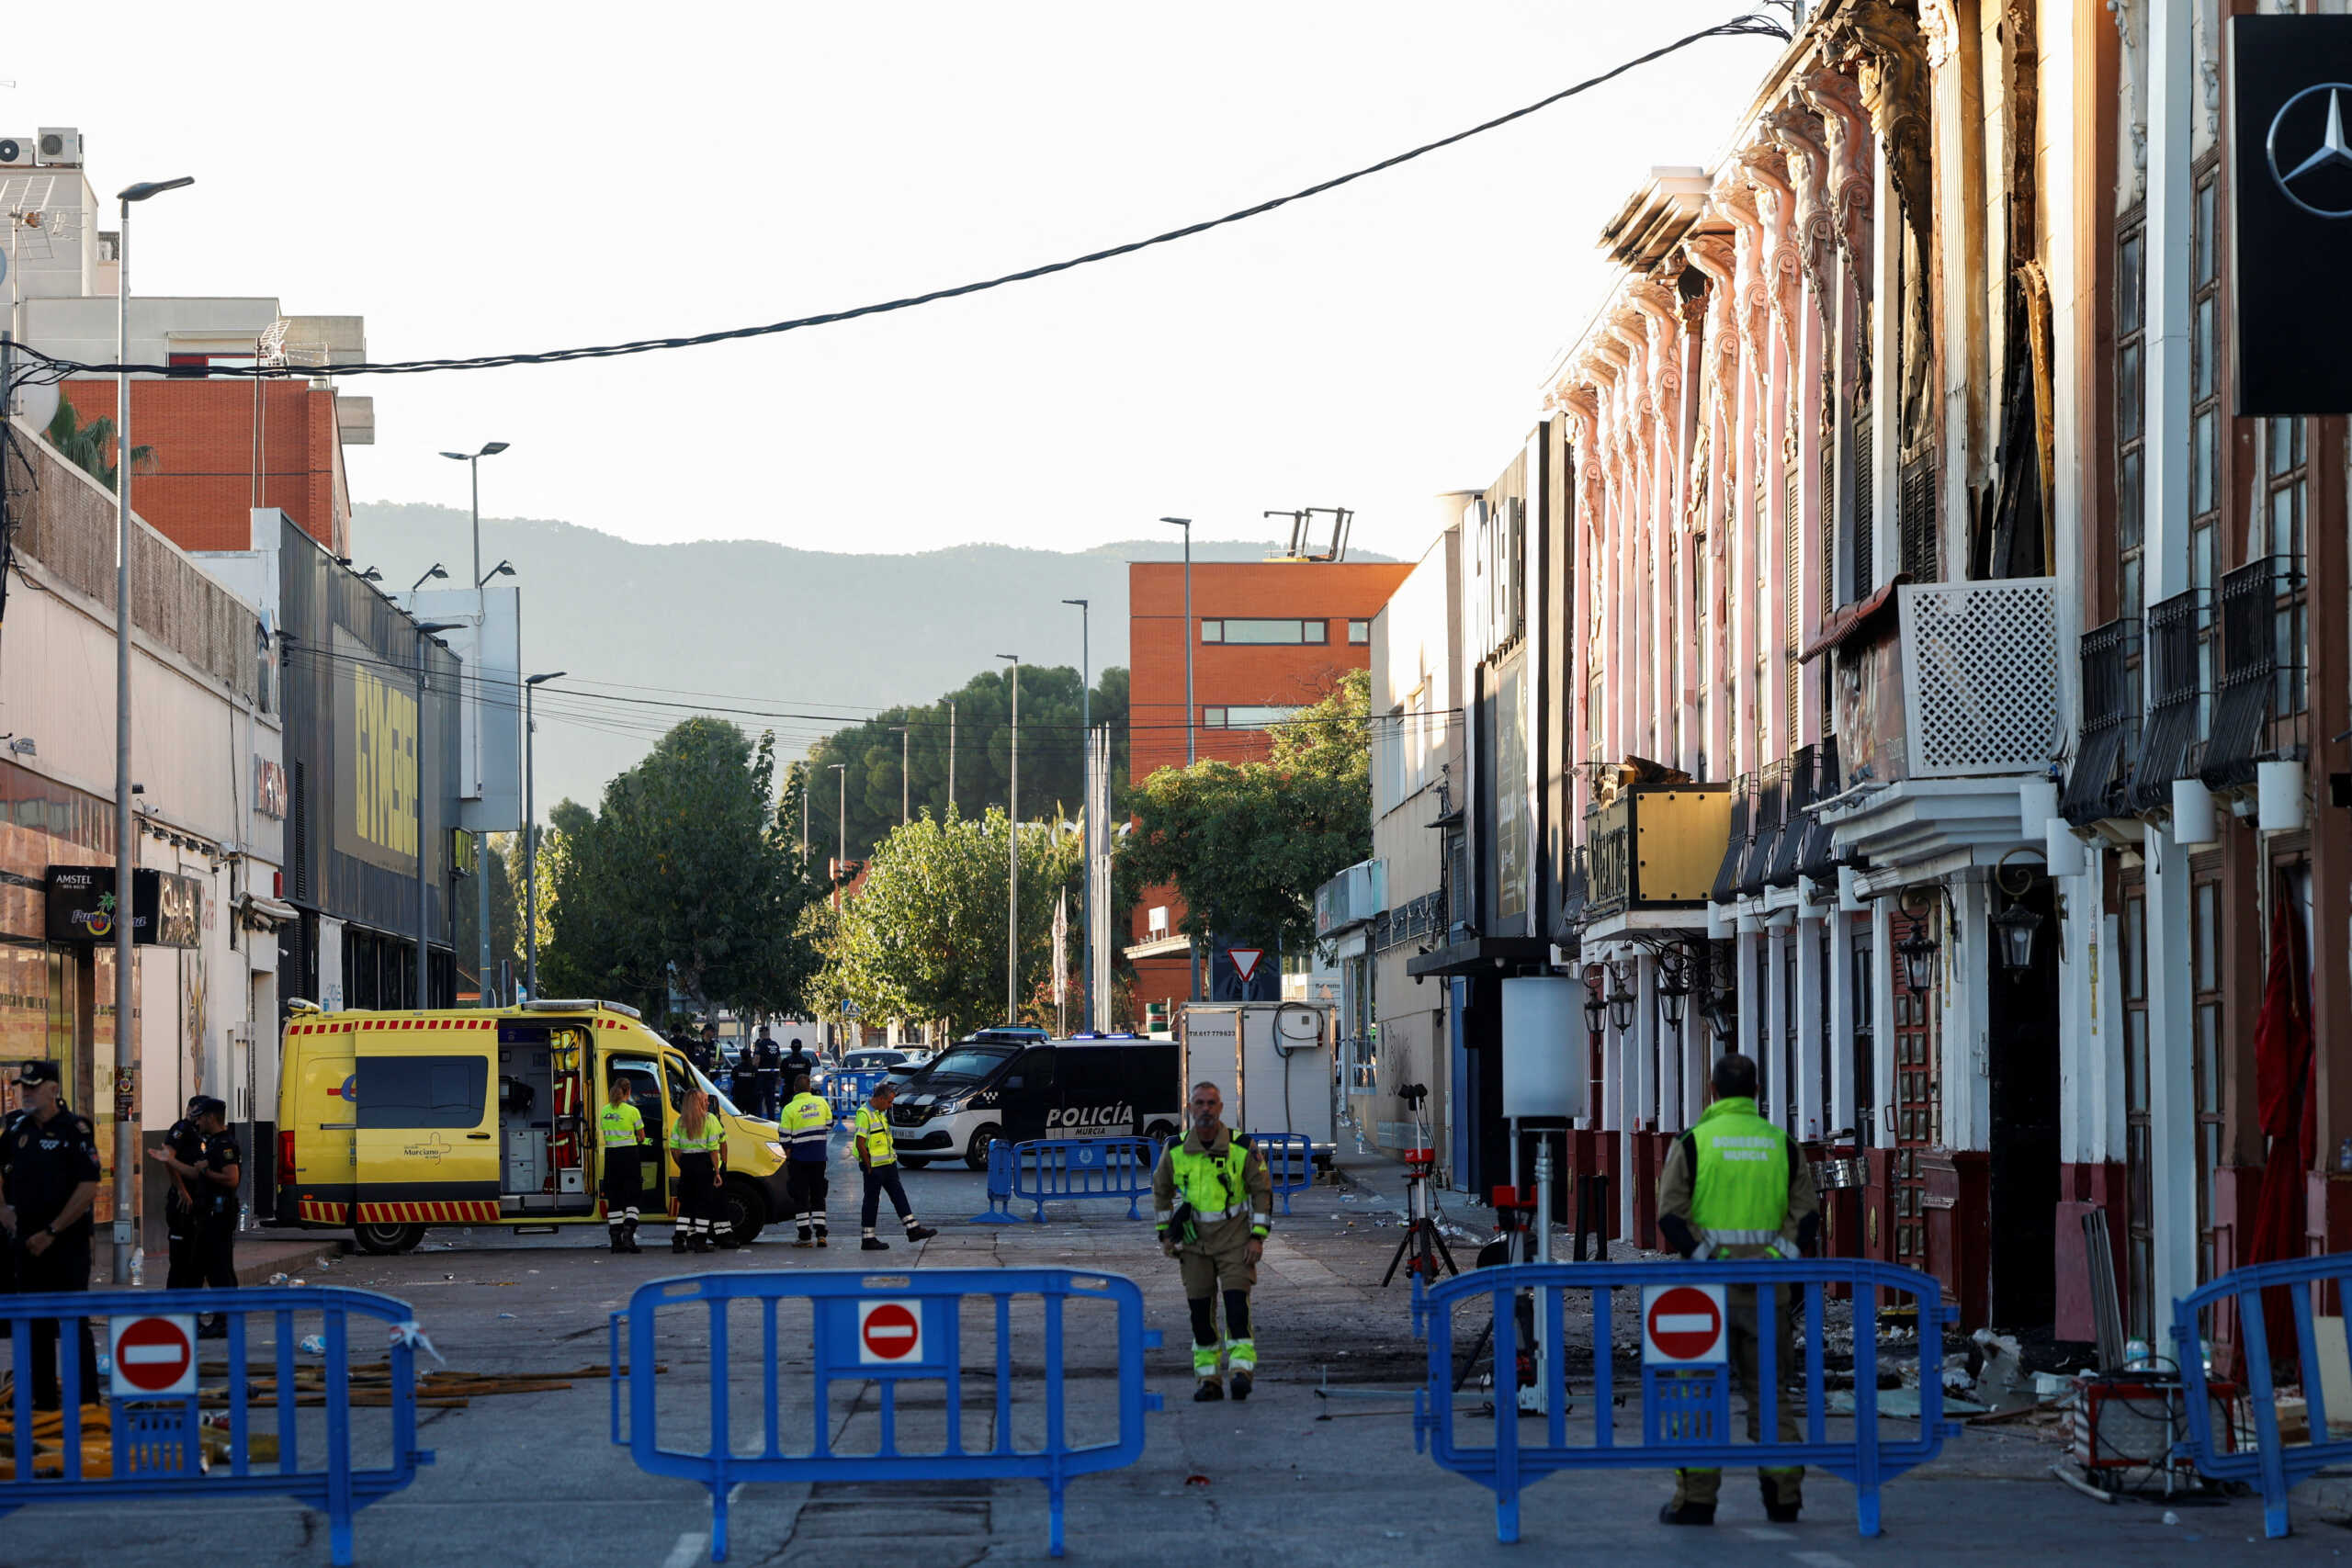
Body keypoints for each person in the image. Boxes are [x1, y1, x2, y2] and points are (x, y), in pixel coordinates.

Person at [1653, 1050, 1821, 1527]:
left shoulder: (1694, 1143)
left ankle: (1697, 1500)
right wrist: (1772, 1262)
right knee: (1771, 1393)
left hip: (1704, 1296)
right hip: (1768, 1295)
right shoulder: (1780, 1143)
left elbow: (1671, 1214)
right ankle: (1784, 1498)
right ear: (1756, 1092)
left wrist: (1713, 1260)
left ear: (1712, 1090)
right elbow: (1805, 1217)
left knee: (1699, 1395)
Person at [1151, 1081, 1272, 1403]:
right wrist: (1165, 1234)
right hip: (1194, 1246)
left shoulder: (1243, 1147)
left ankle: (1241, 1373)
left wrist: (1258, 1238)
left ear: (1221, 1109)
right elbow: (1161, 1191)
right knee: (1200, 1316)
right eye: (1199, 1103)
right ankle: (1209, 1380)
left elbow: (1261, 1192)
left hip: (1235, 1242)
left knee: (1236, 1310)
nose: (1205, 1109)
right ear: (1190, 1108)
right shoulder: (1175, 1149)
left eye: (1211, 1103)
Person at [0, 1059, 102, 1408]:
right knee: (35, 1325)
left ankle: (87, 1403)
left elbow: (89, 1186)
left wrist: (53, 1230)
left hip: (66, 1243)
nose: (26, 1094)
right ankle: (44, 1403)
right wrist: (3, 1210)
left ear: (53, 1089)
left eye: (33, 1087)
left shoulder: (75, 1129)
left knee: (73, 1322)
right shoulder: (16, 1129)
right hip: (27, 1244)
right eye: (23, 1087)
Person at [147, 1096, 240, 1334]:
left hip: (218, 1215)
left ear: (209, 1117)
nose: (196, 1122)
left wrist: (205, 1172)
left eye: (200, 1117)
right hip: (203, 1214)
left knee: (218, 1269)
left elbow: (231, 1178)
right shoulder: (206, 1140)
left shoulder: (224, 1144)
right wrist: (170, 1161)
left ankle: (225, 1321)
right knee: (192, 1267)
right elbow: (193, 1172)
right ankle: (188, 1319)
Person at [852, 1082, 936, 1251]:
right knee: (871, 1201)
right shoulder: (865, 1114)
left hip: (887, 1164)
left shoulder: (879, 1113)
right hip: (874, 1167)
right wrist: (868, 1167)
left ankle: (913, 1229)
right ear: (880, 1099)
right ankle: (868, 1238)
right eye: (889, 1102)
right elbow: (860, 1143)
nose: (890, 1106)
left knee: (898, 1195)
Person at [668, 1087, 727, 1255]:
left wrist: (683, 1165)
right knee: (703, 1204)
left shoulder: (680, 1122)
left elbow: (674, 1149)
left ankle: (678, 1241)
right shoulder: (710, 1120)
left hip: (687, 1163)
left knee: (685, 1205)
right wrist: (717, 1171)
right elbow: (713, 1149)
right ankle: (700, 1242)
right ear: (700, 1102)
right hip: (704, 1163)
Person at [160, 1093, 209, 1291]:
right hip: (183, 1202)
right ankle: (174, 1310)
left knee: (197, 1262)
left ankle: (192, 1314)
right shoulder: (181, 1129)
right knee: (181, 1262)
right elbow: (167, 1158)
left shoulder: (202, 1132)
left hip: (199, 1200)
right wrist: (181, 1190)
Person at [778, 1070, 832, 1247]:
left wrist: (788, 1157)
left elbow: (784, 1137)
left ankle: (804, 1237)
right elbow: (829, 1124)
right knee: (818, 1195)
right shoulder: (821, 1102)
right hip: (818, 1157)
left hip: (799, 1159)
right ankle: (821, 1234)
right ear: (809, 1087)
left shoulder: (789, 1109)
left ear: (795, 1089)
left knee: (801, 1197)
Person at [598, 1076, 647, 1253]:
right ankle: (629, 1235)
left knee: (615, 1198)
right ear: (628, 1091)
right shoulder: (633, 1111)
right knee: (633, 1197)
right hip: (629, 1156)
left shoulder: (604, 1111)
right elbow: (641, 1137)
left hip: (612, 1156)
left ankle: (615, 1239)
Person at [752, 1027, 784, 1121]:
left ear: (760, 1034)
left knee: (759, 1100)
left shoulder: (760, 1045)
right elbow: (779, 1061)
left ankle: (758, 1120)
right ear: (769, 1034)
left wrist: (752, 1070)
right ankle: (772, 1120)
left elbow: (757, 1061)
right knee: (770, 1101)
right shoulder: (775, 1045)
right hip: (772, 1077)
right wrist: (779, 1076)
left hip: (761, 1077)